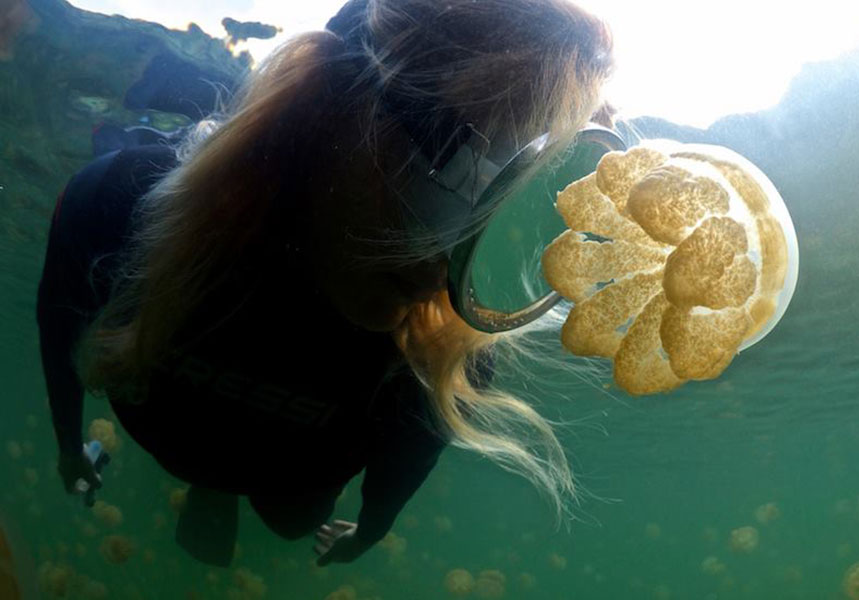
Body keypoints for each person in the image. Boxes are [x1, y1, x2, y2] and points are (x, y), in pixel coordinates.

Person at [36, 0, 615, 568]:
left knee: (293, 525)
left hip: (264, 468)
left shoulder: (439, 337)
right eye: (447, 156)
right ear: (323, 107)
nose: (443, 260)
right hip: (233, 453)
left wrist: (371, 526)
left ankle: (221, 491)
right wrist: (65, 445)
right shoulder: (121, 203)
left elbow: (411, 451)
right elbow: (58, 322)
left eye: (507, 206)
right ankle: (214, 492)